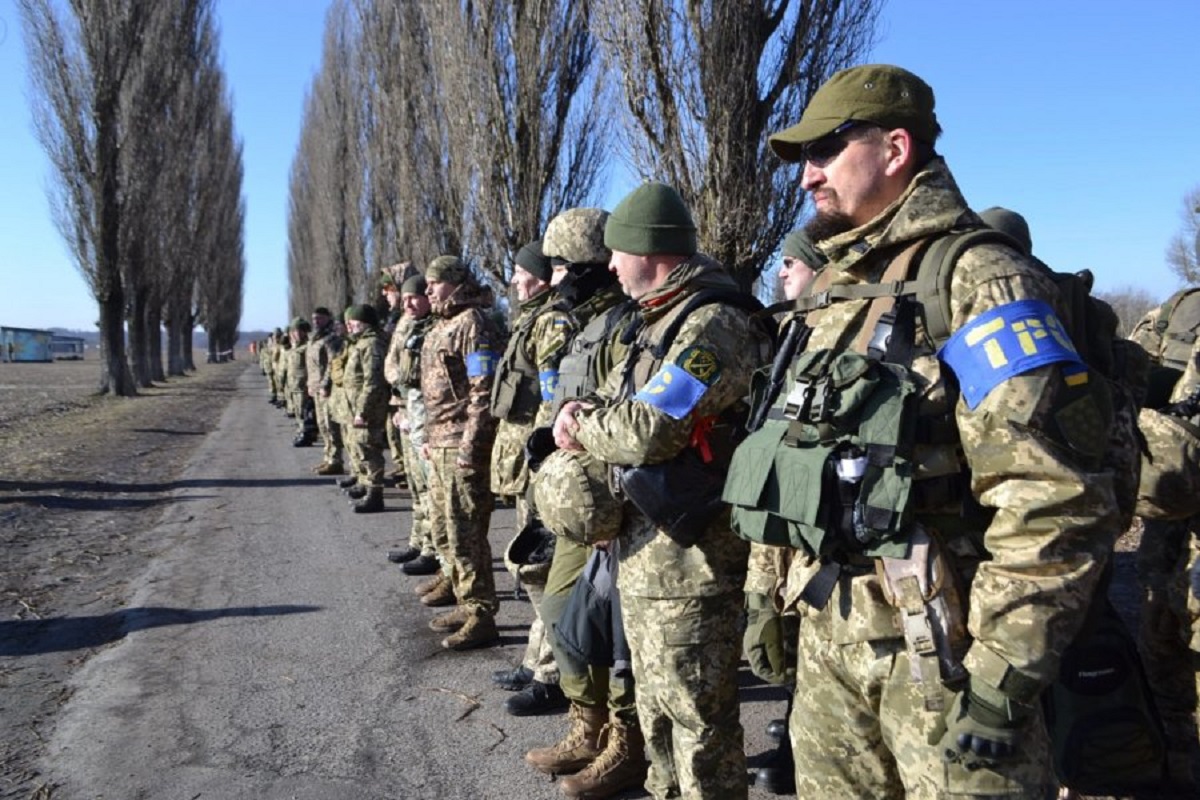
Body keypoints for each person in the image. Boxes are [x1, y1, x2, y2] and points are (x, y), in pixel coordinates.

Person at [752, 64, 1121, 797]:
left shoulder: (979, 280)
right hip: (830, 635)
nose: (806, 178)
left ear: (894, 149)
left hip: (943, 657)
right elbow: (793, 448)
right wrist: (770, 596)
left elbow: (1051, 497)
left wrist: (1005, 675)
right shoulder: (835, 288)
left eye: (824, 152)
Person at [551, 183, 767, 799]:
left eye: (618, 252)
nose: (610, 265)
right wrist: (586, 411)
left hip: (693, 564)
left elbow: (652, 429)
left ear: (652, 252)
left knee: (700, 729)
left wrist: (581, 425)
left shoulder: (713, 324)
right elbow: (630, 406)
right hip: (647, 554)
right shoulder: (658, 322)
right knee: (657, 718)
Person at [523, 206, 646, 799]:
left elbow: (629, 418)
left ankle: (625, 743)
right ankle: (586, 724)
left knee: (612, 630)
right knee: (561, 611)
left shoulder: (625, 325)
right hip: (578, 504)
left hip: (613, 507)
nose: (555, 279)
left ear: (594, 266)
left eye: (566, 267)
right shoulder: (580, 327)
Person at [742, 228, 823, 796]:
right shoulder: (789, 330)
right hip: (772, 503)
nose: (782, 271)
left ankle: (796, 740)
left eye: (793, 262)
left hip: (810, 510)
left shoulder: (840, 331)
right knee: (769, 626)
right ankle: (794, 721)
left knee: (802, 630)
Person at [487, 237, 572, 715]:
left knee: (543, 566)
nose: (514, 280)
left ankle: (554, 674)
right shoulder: (533, 319)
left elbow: (552, 396)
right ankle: (536, 660)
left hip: (543, 459)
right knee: (534, 565)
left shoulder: (554, 322)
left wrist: (543, 459)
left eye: (520, 272)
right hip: (528, 459)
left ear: (538, 276)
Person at [1130, 295, 1200, 789]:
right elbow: (1130, 372)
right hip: (1166, 561)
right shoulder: (1180, 311)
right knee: (1164, 683)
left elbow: (1170, 481)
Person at [418, 255, 502, 650]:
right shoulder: (441, 324)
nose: (428, 290)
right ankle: (463, 599)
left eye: (435, 283)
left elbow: (482, 392)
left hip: (461, 445)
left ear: (454, 283)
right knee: (445, 529)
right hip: (440, 441)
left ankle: (481, 613)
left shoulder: (473, 324)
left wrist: (471, 447)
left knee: (466, 531)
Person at [383, 273, 440, 576]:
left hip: (425, 416)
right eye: (403, 298)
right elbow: (392, 366)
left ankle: (432, 549)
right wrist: (400, 402)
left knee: (430, 487)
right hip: (408, 410)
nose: (407, 303)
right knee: (417, 486)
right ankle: (418, 541)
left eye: (413, 297)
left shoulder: (432, 328)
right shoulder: (409, 324)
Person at [341, 303, 389, 513]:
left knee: (369, 450)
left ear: (364, 323)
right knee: (359, 447)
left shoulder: (371, 344)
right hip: (356, 406)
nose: (349, 327)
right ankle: (364, 483)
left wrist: (363, 410)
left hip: (368, 408)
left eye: (352, 323)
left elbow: (373, 380)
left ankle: (375, 494)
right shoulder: (360, 343)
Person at [306, 306, 345, 476]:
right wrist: (311, 384)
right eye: (314, 319)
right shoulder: (314, 339)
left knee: (331, 426)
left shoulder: (331, 339)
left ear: (328, 318)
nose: (317, 321)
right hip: (316, 387)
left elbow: (332, 363)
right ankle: (328, 457)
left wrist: (325, 385)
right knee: (322, 425)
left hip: (326, 389)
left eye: (320, 318)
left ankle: (336, 460)